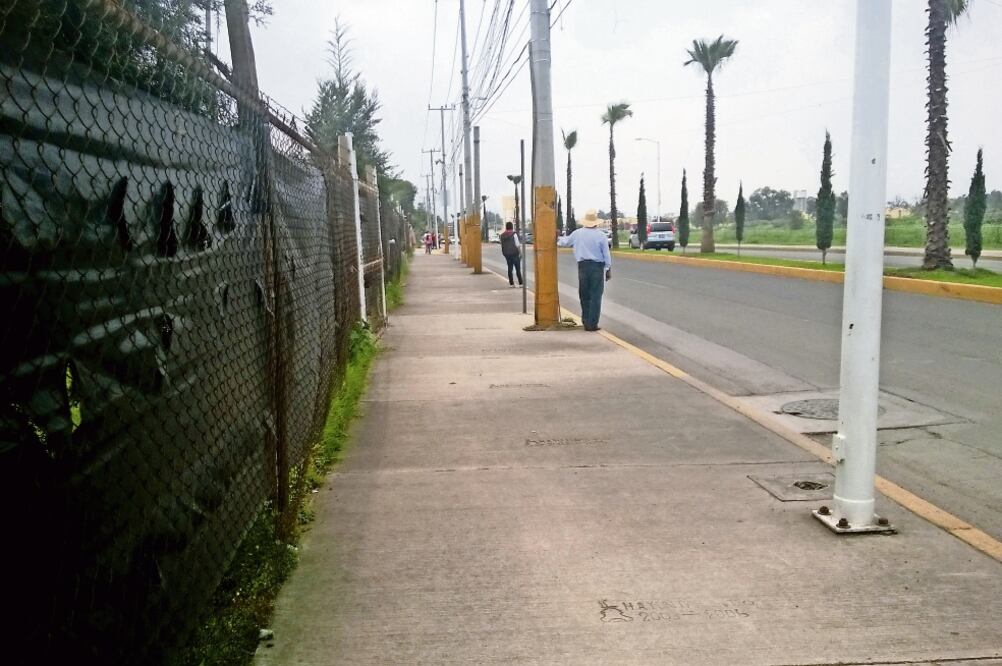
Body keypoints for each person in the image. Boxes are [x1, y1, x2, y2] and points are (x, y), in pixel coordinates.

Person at [557, 210, 611, 331]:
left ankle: (586, 321)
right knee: (596, 295)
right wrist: (608, 269)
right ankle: (592, 323)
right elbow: (606, 254)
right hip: (597, 267)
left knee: (584, 294)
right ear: (596, 223)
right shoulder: (601, 235)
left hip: (583, 266)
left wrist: (557, 237)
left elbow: (564, 242)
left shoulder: (577, 233)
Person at [499, 221, 523, 287]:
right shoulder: (514, 234)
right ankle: (521, 283)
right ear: (512, 227)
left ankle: (511, 284)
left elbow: (502, 245)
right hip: (515, 254)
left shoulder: (502, 235)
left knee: (510, 269)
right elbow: (517, 244)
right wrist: (520, 253)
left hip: (507, 254)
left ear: (506, 227)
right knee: (518, 269)